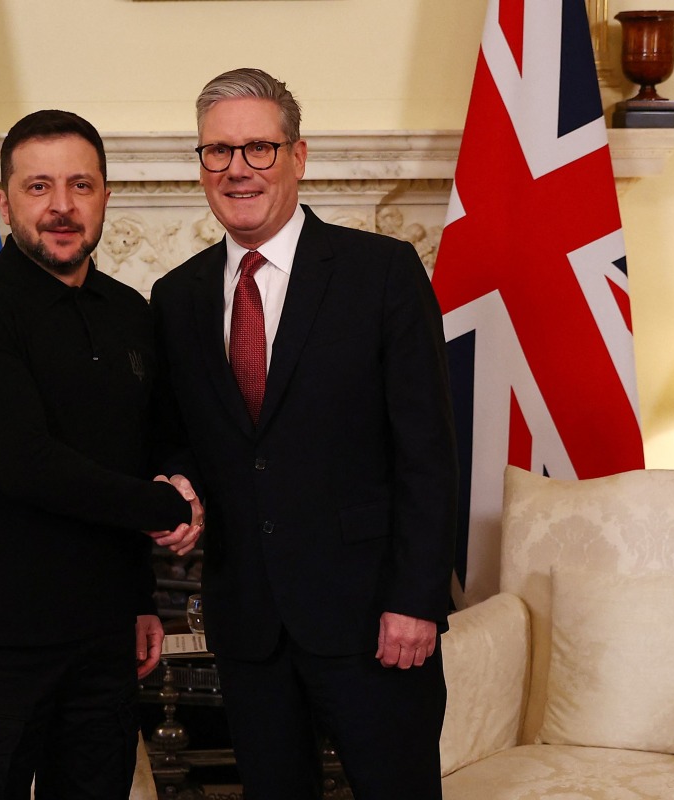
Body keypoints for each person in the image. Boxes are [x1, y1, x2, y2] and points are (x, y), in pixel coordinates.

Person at [150, 68, 458, 799]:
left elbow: (429, 450)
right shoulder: (177, 297)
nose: (237, 170)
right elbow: (179, 439)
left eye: (258, 148)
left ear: (298, 155)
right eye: (216, 152)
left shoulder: (380, 273)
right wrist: (177, 491)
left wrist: (416, 599)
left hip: (373, 620)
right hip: (249, 621)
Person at [0, 109, 203, 800]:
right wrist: (166, 506)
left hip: (104, 633)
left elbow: (145, 447)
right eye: (38, 187)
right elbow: (26, 463)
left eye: (80, 186)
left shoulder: (131, 312)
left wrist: (143, 598)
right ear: (4, 199)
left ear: (106, 195)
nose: (61, 207)